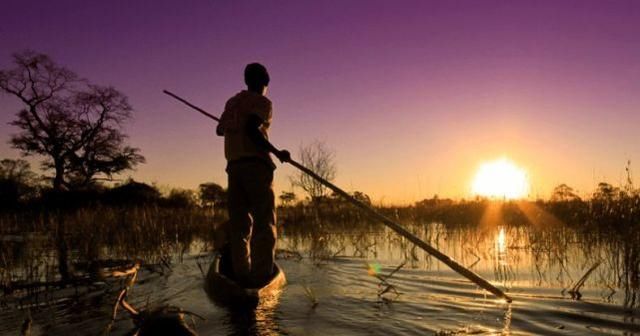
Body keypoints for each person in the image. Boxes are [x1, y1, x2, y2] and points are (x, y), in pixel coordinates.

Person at [216, 63, 290, 287]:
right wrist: (277, 152)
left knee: (239, 225)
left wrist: (232, 120)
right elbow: (251, 128)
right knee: (264, 222)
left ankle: (241, 275)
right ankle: (260, 279)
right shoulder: (263, 102)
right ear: (264, 83)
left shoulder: (232, 103)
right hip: (256, 166)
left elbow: (219, 130)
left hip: (234, 167)